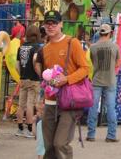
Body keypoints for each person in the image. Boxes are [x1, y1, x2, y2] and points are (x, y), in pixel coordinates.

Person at [36, 10, 89, 159]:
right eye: (48, 23)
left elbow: (85, 69)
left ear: (61, 24)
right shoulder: (44, 49)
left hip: (68, 101)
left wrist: (67, 79)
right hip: (50, 102)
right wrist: (42, 97)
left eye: (54, 23)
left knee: (60, 143)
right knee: (49, 146)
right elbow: (46, 77)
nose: (51, 26)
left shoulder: (73, 43)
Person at [86, 23, 121, 143]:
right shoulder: (115, 47)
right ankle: (111, 135)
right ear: (110, 33)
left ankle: (91, 134)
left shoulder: (93, 47)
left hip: (96, 80)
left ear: (100, 33)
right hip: (110, 80)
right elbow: (117, 64)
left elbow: (92, 61)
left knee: (93, 107)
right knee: (111, 108)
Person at [16, 24, 41, 138]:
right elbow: (36, 60)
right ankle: (30, 129)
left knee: (21, 104)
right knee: (30, 104)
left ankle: (20, 128)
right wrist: (39, 73)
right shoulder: (36, 47)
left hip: (23, 78)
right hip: (33, 79)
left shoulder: (21, 47)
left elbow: (17, 65)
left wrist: (21, 75)